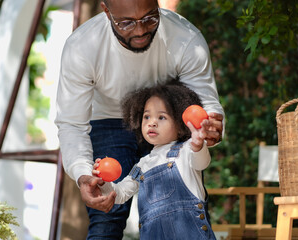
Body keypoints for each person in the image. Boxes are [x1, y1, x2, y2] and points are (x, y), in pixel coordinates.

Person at [55, 0, 224, 238]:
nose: (140, 30)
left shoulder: (185, 38)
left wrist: (210, 128)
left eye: (150, 18)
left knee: (181, 211)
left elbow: (204, 101)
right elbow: (72, 123)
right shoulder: (82, 46)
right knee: (107, 218)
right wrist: (84, 174)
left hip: (167, 121)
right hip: (108, 120)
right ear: (106, 10)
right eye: (126, 23)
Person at [92, 82, 216, 239]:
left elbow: (201, 163)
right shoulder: (143, 164)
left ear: (180, 125)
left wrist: (198, 145)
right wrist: (104, 184)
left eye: (162, 117)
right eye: (147, 116)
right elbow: (121, 193)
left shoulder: (186, 150)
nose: (152, 122)